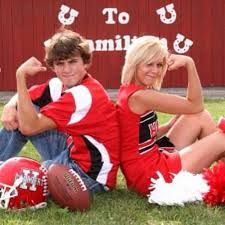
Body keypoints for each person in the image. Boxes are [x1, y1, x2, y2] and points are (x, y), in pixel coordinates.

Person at [0, 28, 120, 193]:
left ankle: (7, 172)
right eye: (60, 63)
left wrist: (20, 76)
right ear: (53, 66)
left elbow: (29, 127)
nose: (67, 70)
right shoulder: (59, 84)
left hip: (91, 174)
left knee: (26, 179)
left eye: (72, 62)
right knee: (26, 107)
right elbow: (29, 96)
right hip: (71, 153)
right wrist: (10, 105)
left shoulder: (84, 94)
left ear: (85, 62)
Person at [116, 35, 225, 196]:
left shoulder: (129, 90)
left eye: (159, 65)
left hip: (144, 166)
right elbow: (195, 104)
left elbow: (138, 137)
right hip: (150, 176)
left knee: (198, 117)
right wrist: (189, 64)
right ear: (135, 63)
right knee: (221, 138)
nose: (155, 70)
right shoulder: (140, 96)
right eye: (149, 64)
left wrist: (168, 127)